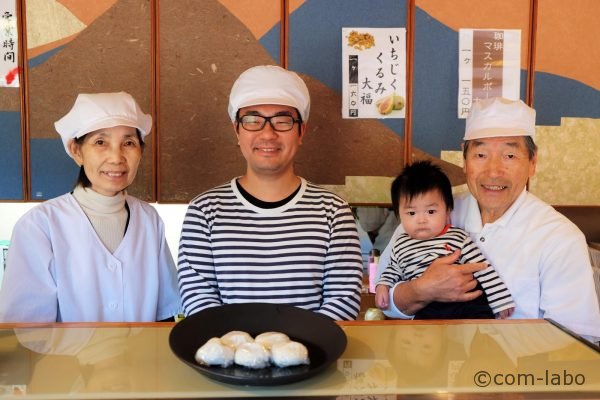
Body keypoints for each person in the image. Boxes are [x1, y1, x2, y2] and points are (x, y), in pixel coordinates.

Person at [379, 97, 600, 342]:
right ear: (465, 160)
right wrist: (419, 290)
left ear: (532, 163)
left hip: (515, 376)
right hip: (428, 366)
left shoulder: (559, 238)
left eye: (509, 156)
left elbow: (576, 342)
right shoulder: (430, 212)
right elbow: (384, 299)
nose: (493, 172)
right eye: (481, 154)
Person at [177, 65, 363, 320]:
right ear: (237, 130)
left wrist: (289, 349)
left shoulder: (333, 211)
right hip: (230, 356)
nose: (268, 133)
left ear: (301, 131)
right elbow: (197, 299)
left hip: (313, 356)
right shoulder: (204, 210)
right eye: (253, 120)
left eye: (282, 121)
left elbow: (344, 300)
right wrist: (246, 350)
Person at [0, 92, 181, 322]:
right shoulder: (39, 226)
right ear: (77, 151)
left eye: (128, 143)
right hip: (62, 359)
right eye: (100, 142)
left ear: (140, 151)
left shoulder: (149, 219)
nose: (116, 157)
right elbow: (24, 329)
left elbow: (163, 314)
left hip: (140, 358)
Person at [375, 160, 515, 319]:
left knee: (482, 329)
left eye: (431, 211)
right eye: (412, 213)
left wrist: (500, 300)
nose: (422, 220)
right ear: (399, 215)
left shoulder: (457, 237)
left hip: (467, 304)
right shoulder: (400, 245)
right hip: (428, 308)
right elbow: (392, 270)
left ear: (447, 210)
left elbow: (482, 268)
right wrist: (382, 286)